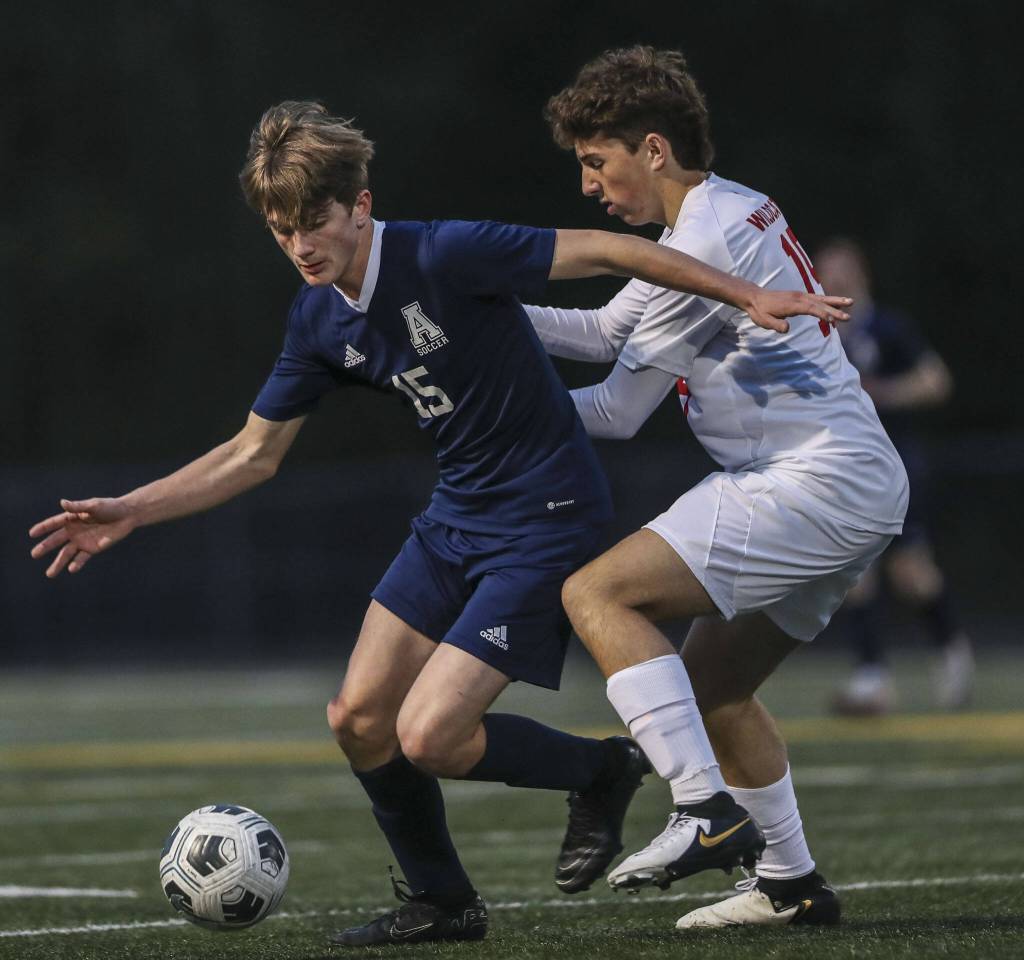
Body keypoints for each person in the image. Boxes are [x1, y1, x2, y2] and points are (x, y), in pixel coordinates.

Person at [27, 101, 847, 947]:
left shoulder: (443, 251)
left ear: (361, 205)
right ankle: (443, 901)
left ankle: (603, 768)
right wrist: (131, 510)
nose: (303, 246)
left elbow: (609, 249)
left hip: (546, 516)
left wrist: (749, 293)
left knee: (429, 736)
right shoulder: (316, 318)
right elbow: (251, 455)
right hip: (455, 519)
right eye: (283, 231)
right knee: (357, 719)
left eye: (316, 222)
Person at [523, 46, 908, 931]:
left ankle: (703, 808)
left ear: (652, 150)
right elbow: (601, 327)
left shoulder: (706, 236)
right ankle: (792, 883)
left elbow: (617, 408)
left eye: (596, 161)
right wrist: (474, 313)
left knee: (597, 594)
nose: (588, 187)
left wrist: (479, 404)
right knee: (712, 687)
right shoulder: (713, 217)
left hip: (810, 479)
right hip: (849, 480)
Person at [815, 238, 973, 715]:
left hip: (895, 466)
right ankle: (872, 679)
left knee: (912, 575)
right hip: (842, 468)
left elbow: (935, 380)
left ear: (861, 273)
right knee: (853, 574)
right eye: (826, 271)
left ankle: (951, 651)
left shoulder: (887, 327)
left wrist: (881, 392)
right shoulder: (816, 330)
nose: (833, 278)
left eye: (841, 269)